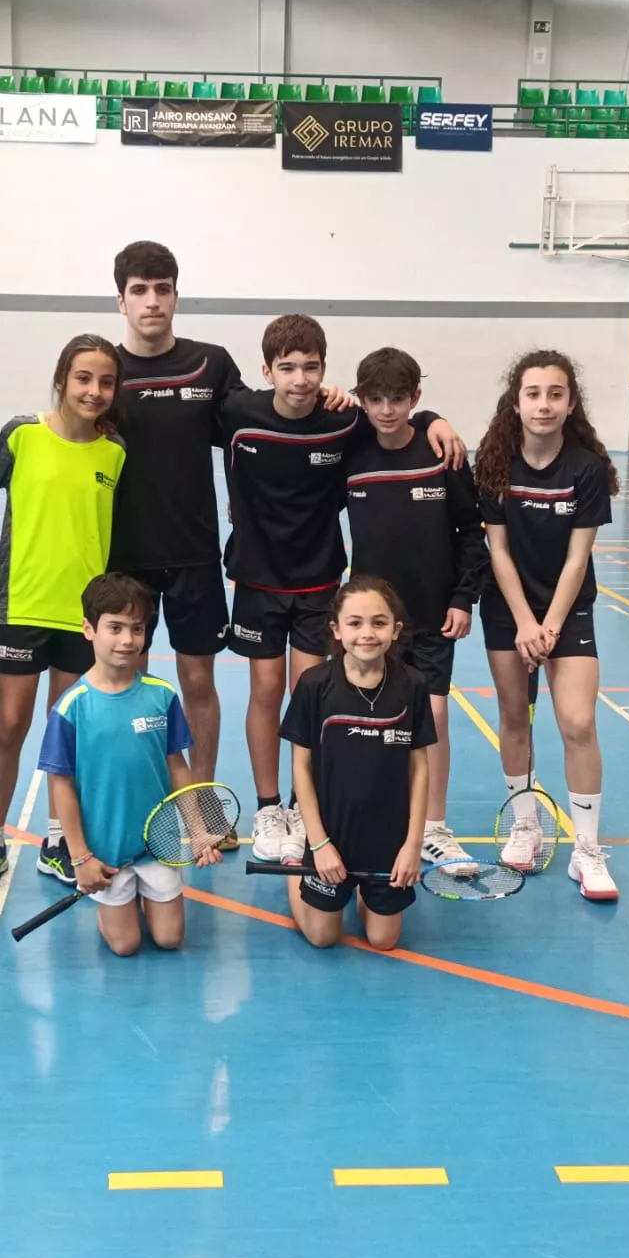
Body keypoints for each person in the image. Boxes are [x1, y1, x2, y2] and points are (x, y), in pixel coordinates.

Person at [220, 315, 460, 864]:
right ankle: (268, 806)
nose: (300, 379)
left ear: (325, 371)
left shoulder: (343, 420)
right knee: (263, 691)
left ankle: (308, 812)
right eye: (287, 368)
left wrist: (433, 418)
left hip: (320, 582)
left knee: (309, 698)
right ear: (267, 370)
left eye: (311, 367)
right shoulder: (237, 414)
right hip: (256, 580)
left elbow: (390, 414)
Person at [0, 336, 126, 893]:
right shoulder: (22, 434)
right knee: (10, 723)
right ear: (62, 378)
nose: (94, 390)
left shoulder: (115, 451)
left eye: (105, 381)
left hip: (83, 616)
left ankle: (59, 841)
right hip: (21, 605)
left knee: (68, 732)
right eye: (84, 378)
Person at [473, 349, 620, 902]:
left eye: (555, 394)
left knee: (578, 721)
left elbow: (577, 559)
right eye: (533, 393)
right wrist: (524, 622)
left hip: (567, 610)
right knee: (514, 716)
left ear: (570, 402)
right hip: (507, 608)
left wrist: (548, 628)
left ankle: (586, 849)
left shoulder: (584, 469)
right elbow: (499, 553)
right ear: (517, 402)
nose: (544, 404)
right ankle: (526, 825)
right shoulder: (494, 464)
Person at [108, 242, 244, 806]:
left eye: (162, 288)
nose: (152, 300)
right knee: (128, 687)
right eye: (139, 290)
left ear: (176, 296)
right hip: (125, 559)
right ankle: (142, 794)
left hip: (193, 554)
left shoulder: (209, 364)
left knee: (196, 683)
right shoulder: (105, 372)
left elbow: (255, 426)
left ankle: (203, 799)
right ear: (121, 300)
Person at [345, 347, 488, 875]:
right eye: (376, 399)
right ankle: (371, 817)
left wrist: (462, 598)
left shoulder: (441, 455)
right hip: (368, 623)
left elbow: (471, 533)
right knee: (366, 722)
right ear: (361, 400)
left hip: (430, 616)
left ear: (416, 399)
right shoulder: (351, 451)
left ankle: (433, 828)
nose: (387, 410)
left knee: (434, 717)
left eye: (399, 400)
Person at [39, 573, 219, 955]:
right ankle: (118, 906)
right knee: (125, 946)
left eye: (136, 629)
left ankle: (145, 897)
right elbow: (61, 786)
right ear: (89, 629)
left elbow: (178, 768)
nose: (127, 640)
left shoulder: (162, 695)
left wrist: (198, 830)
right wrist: (81, 858)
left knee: (170, 939)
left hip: (159, 845)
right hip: (105, 853)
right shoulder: (72, 708)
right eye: (115, 628)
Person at [280, 576, 433, 953]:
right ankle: (294, 863)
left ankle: (361, 890)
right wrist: (319, 845)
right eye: (355, 623)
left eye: (379, 623)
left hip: (387, 840)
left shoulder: (412, 685)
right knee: (322, 937)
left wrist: (412, 845)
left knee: (384, 941)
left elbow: (419, 769)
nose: (367, 633)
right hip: (331, 835)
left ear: (396, 631)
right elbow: (301, 767)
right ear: (336, 629)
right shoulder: (315, 685)